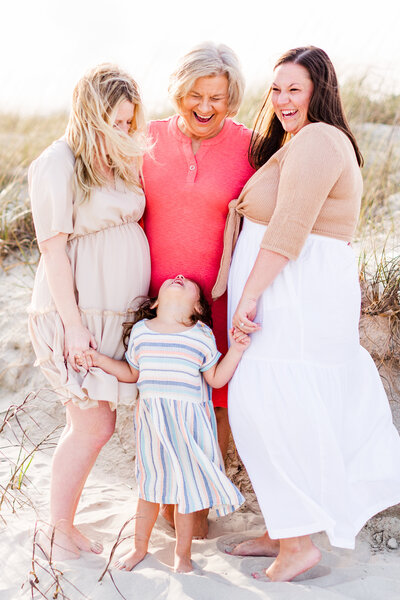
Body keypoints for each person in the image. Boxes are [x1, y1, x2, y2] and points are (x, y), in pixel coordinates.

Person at [212, 46, 400, 582]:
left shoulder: (320, 139)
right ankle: (282, 528)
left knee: (264, 403)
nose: (282, 100)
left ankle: (296, 544)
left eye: (294, 88)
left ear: (320, 90)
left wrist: (248, 296)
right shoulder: (300, 141)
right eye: (276, 89)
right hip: (291, 287)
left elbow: (289, 228)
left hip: (296, 291)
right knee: (275, 403)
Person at [28, 64, 151, 560]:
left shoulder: (117, 159)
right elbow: (53, 251)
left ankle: (64, 522)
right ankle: (59, 526)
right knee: (90, 425)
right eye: (113, 123)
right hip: (78, 315)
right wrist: (75, 328)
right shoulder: (57, 162)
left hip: (115, 314)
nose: (121, 132)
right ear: (89, 116)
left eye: (128, 123)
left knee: (95, 424)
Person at [142, 41, 255, 536]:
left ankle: (200, 503)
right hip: (157, 303)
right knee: (160, 396)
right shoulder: (144, 139)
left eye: (219, 99)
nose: (207, 108)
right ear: (178, 91)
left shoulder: (251, 145)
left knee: (217, 402)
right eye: (196, 96)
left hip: (221, 300)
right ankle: (167, 499)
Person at [82, 274, 248, 572]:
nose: (179, 276)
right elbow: (131, 373)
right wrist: (98, 359)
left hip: (189, 426)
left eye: (188, 284)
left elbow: (216, 378)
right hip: (152, 423)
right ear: (156, 302)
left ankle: (182, 555)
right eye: (172, 279)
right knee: (149, 488)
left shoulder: (201, 335)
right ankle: (138, 548)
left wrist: (236, 350)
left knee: (184, 492)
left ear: (197, 308)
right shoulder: (142, 332)